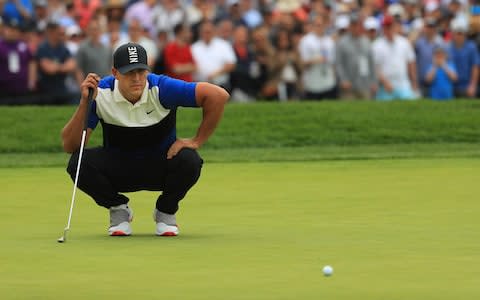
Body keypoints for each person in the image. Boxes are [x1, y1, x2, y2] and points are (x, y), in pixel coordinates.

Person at [61, 42, 229, 237]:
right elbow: (71, 145)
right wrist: (85, 103)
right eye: (129, 73)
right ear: (115, 72)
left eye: (141, 72)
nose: (137, 79)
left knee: (190, 160)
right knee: (77, 163)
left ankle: (166, 211)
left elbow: (218, 96)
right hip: (119, 168)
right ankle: (118, 209)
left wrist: (196, 140)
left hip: (160, 166)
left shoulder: (161, 88)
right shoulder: (101, 93)